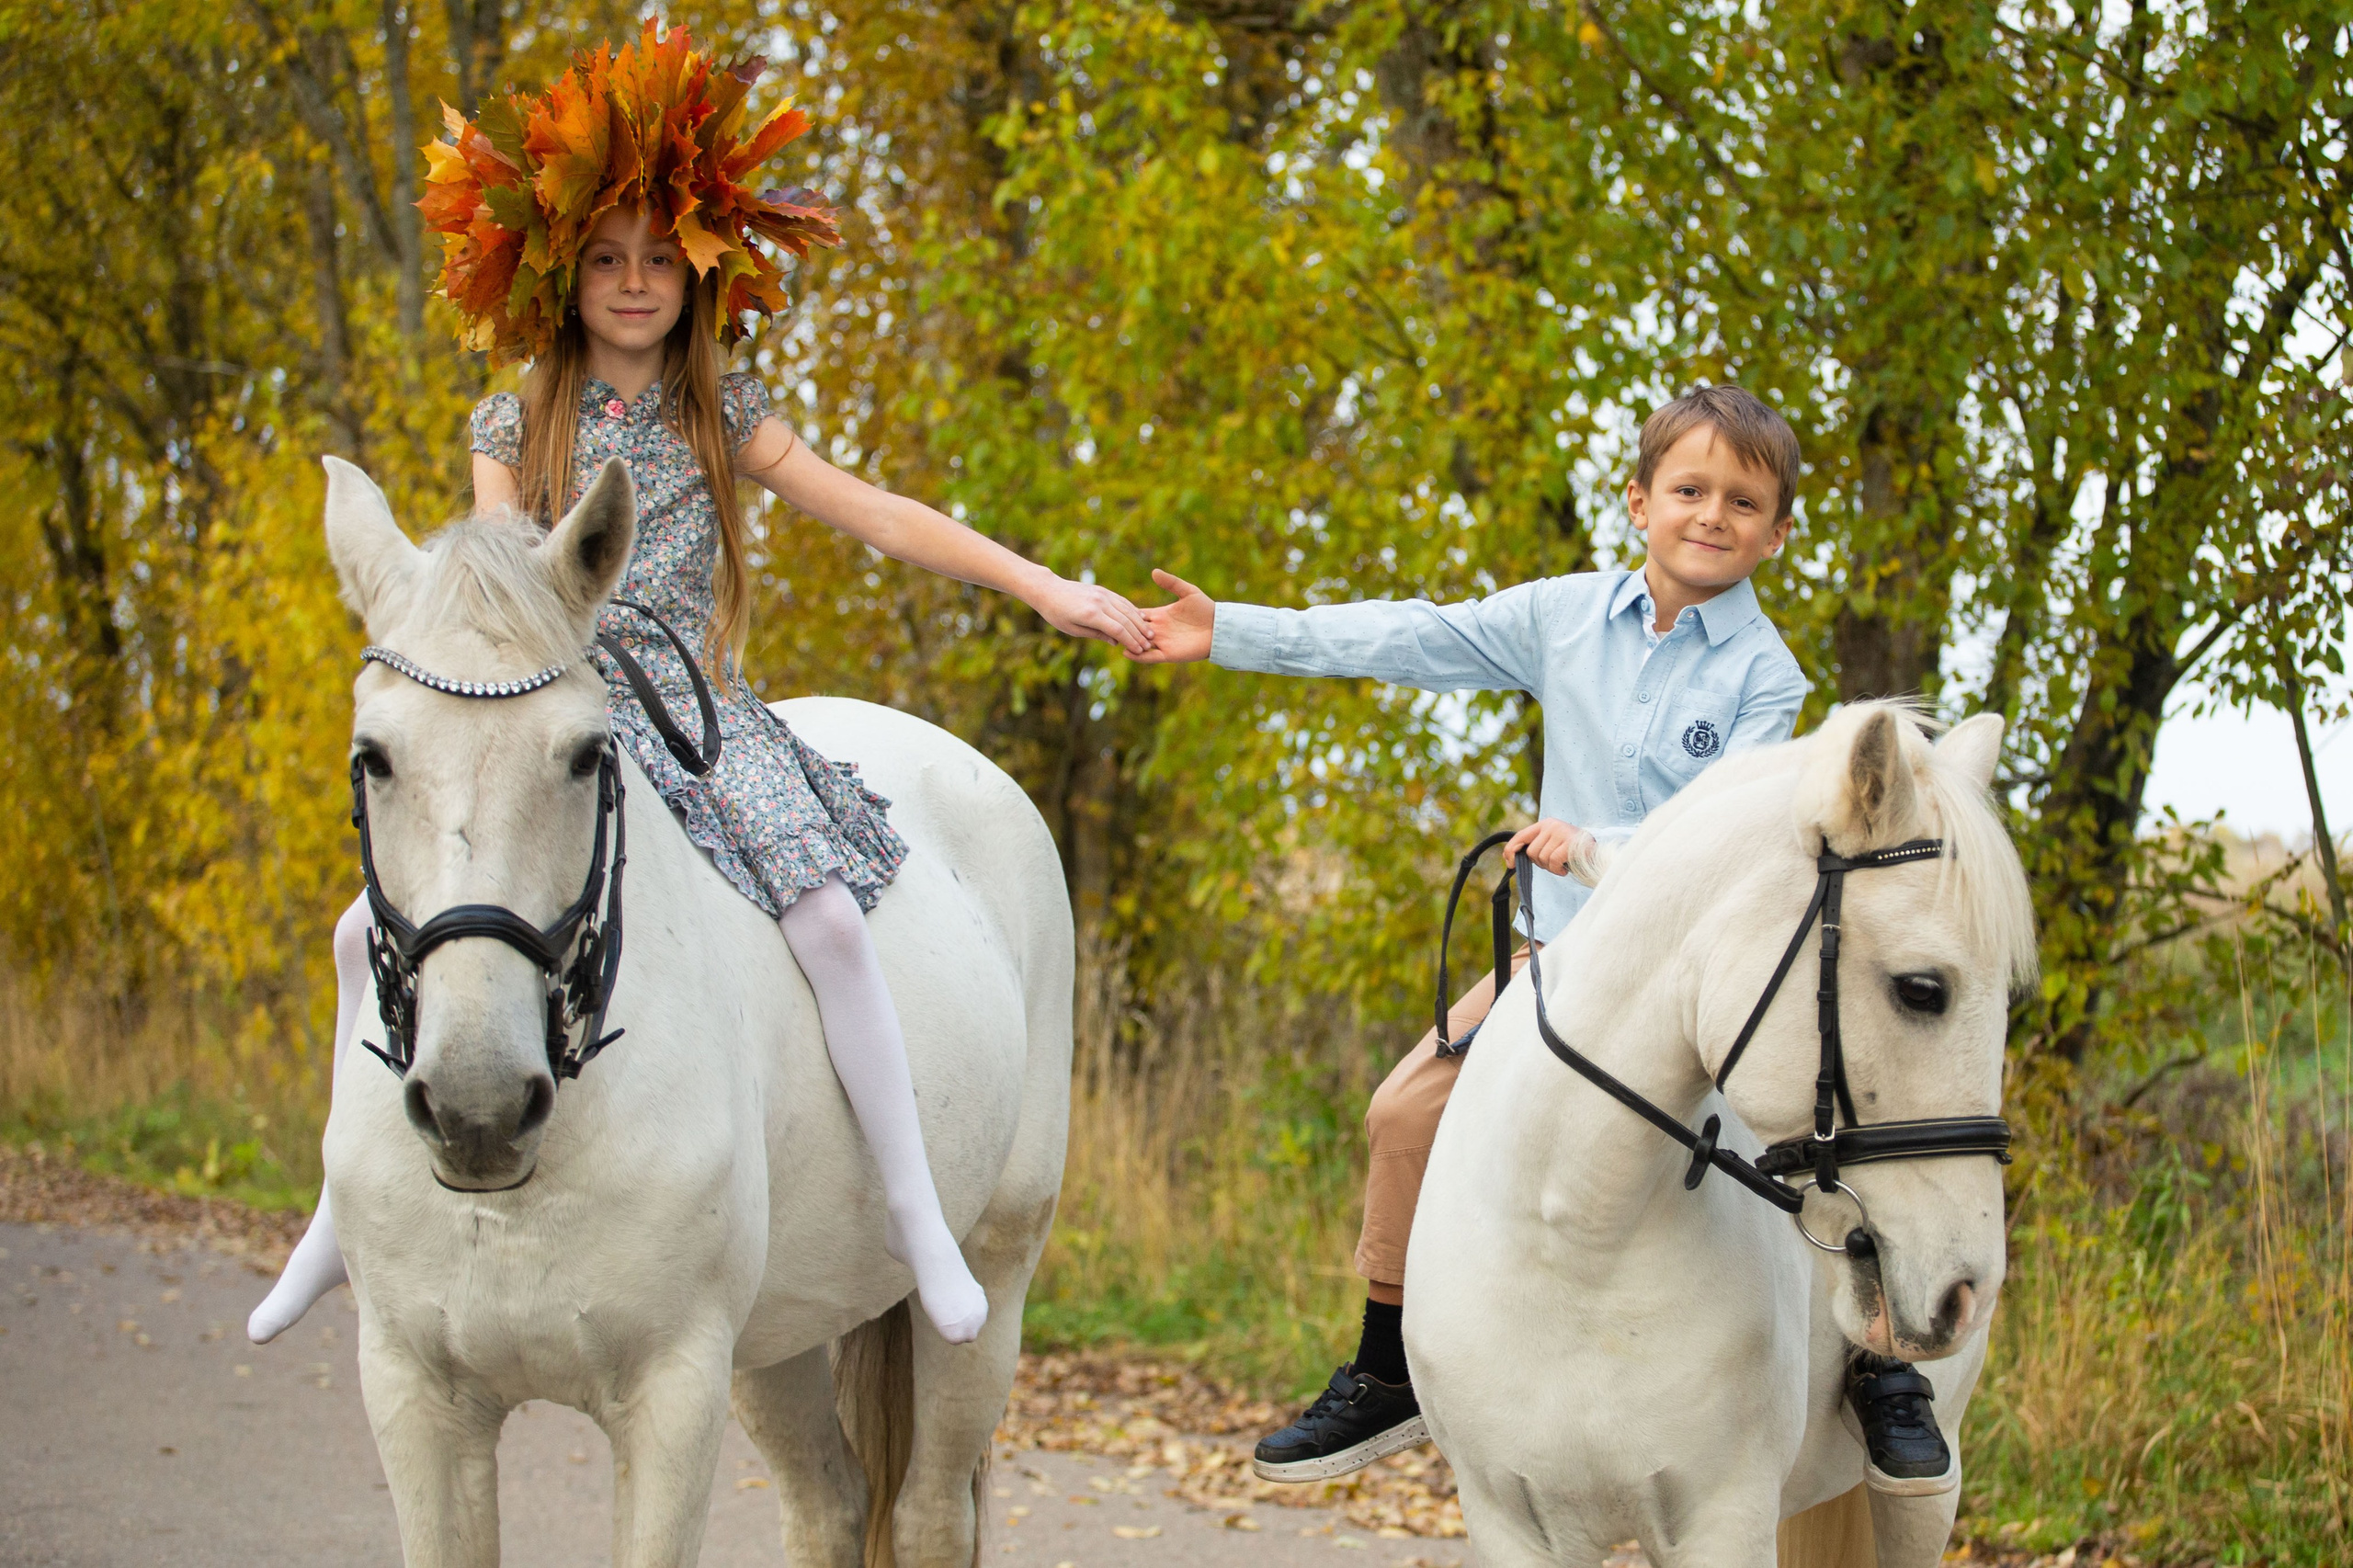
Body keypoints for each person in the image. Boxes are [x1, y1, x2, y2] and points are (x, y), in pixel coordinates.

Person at [247, 20, 1152, 1351]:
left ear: (696, 275)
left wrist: (1042, 586)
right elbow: (494, 580)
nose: (634, 283)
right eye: (608, 259)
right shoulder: (513, 418)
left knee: (830, 921)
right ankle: (340, 1210)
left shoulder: (720, 412)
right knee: (360, 931)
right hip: (548, 712)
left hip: (698, 717)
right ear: (564, 274)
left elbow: (878, 512)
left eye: (659, 260)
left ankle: (916, 1212)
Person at [1131, 384, 1959, 1496]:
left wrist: (1595, 847)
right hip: (1560, 966)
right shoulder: (1563, 617)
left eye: (1742, 501)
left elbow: (1725, 831)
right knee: (1401, 1113)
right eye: (1690, 489)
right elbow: (1413, 635)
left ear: (1776, 533)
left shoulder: (1767, 677)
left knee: (1813, 1112)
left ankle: (1881, 1364)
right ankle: (1387, 1370)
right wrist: (1228, 629)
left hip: (1702, 980)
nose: (1712, 515)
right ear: (1640, 502)